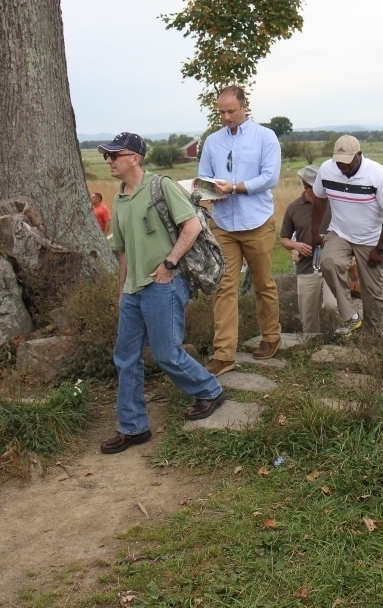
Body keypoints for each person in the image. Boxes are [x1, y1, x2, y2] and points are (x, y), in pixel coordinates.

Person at [97, 132, 225, 453]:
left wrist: (170, 263)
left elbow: (192, 226)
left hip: (164, 285)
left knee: (167, 353)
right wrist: (122, 289)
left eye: (115, 155)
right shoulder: (119, 197)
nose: (109, 160)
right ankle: (133, 427)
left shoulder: (161, 186)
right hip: (134, 290)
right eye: (107, 156)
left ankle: (210, 390)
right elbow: (123, 250)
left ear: (134, 158)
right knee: (126, 357)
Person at [198, 86, 282, 374]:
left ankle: (271, 336)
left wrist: (235, 187)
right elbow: (204, 177)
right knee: (224, 287)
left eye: (231, 111)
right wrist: (209, 190)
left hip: (257, 221)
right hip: (223, 223)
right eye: (221, 112)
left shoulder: (265, 137)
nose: (226, 116)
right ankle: (224, 354)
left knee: (263, 283)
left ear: (245, 105)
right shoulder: (212, 141)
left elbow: (270, 177)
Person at [311, 136, 383, 337]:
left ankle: (372, 336)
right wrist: (315, 231)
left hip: (372, 237)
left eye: (348, 162)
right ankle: (350, 316)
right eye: (339, 162)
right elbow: (319, 199)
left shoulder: (378, 175)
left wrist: (380, 248)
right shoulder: (327, 169)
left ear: (359, 155)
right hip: (340, 231)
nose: (343, 167)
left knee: (372, 291)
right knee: (328, 262)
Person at [280, 164, 334, 334]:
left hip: (331, 267)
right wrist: (296, 245)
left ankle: (338, 345)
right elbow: (284, 239)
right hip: (305, 269)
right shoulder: (293, 208)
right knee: (308, 319)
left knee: (332, 306)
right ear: (306, 187)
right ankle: (313, 352)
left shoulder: (333, 204)